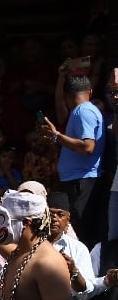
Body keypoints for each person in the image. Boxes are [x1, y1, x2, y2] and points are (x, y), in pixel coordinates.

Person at [40, 74, 104, 247]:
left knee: (81, 230)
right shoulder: (83, 111)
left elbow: (87, 147)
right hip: (77, 179)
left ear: (67, 96)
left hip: (81, 180)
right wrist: (56, 139)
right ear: (90, 91)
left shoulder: (83, 111)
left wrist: (57, 136)